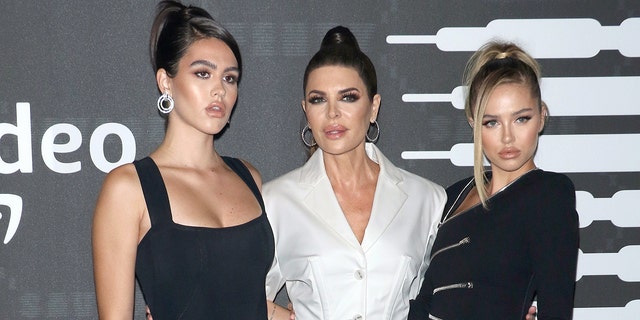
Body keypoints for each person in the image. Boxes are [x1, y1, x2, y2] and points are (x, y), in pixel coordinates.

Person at [91, 1, 274, 318]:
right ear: (166, 82)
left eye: (230, 78)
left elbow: (247, 300)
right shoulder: (129, 189)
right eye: (203, 73)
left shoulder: (249, 177)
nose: (219, 90)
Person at [262, 26, 447, 320]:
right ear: (306, 111)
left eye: (348, 97)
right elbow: (244, 297)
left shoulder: (427, 199)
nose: (332, 113)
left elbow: (442, 300)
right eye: (318, 99)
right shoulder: (276, 201)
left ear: (373, 107)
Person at [408, 41, 580, 319]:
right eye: (492, 122)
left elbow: (556, 309)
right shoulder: (451, 197)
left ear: (541, 117)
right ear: (473, 122)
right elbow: (424, 301)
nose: (508, 137)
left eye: (521, 119)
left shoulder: (549, 194)